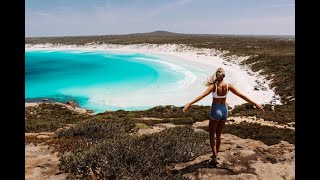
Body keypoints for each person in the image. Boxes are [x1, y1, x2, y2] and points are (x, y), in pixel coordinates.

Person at [183, 67, 264, 166]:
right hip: (225, 111)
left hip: (216, 110)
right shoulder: (228, 86)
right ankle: (215, 155)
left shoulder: (214, 86)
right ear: (224, 76)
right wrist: (255, 103)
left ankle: (215, 157)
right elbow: (241, 95)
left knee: (212, 134)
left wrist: (190, 103)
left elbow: (202, 96)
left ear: (216, 76)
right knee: (219, 134)